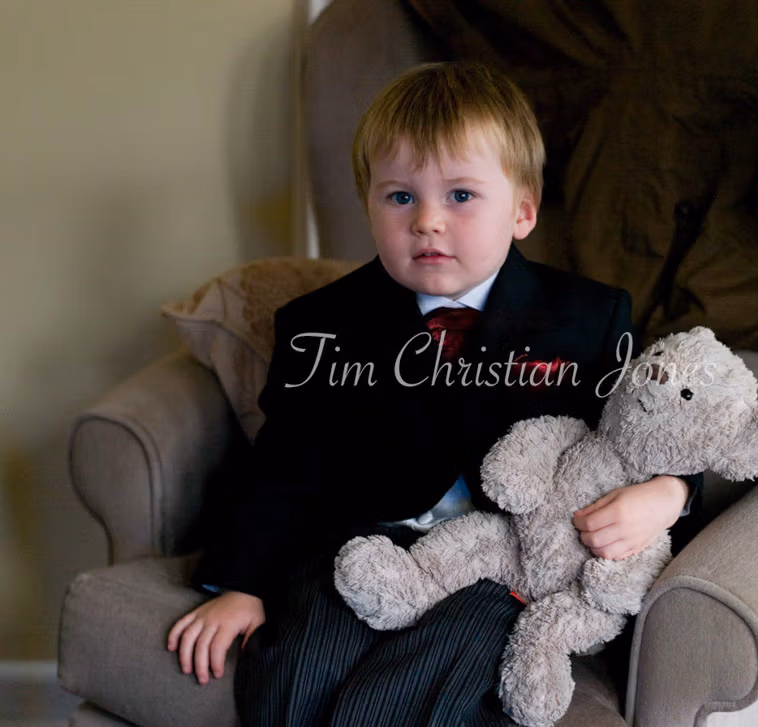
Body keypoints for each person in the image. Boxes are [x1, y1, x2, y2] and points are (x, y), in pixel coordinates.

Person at [167, 61, 703, 726]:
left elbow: (652, 426)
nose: (426, 221)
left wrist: (669, 491)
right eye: (399, 197)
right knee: (293, 671)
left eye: (460, 196)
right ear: (369, 205)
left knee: (416, 683)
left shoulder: (587, 318)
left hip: (503, 560)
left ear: (523, 211)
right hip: (359, 543)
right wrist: (240, 583)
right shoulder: (323, 324)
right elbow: (285, 465)